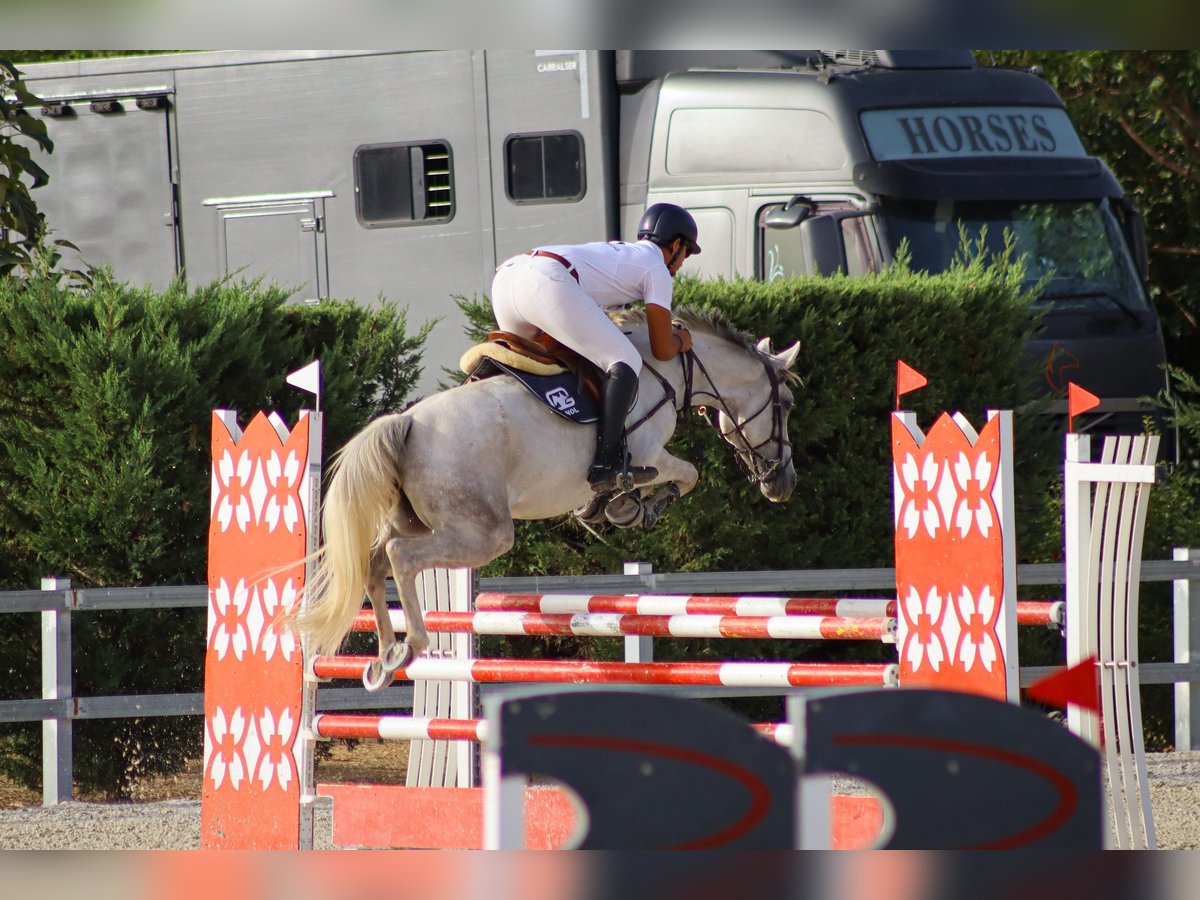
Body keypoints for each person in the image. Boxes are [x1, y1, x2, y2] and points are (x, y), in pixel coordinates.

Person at [490, 203, 700, 494]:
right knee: (625, 359)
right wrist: (682, 340)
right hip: (544, 280)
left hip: (507, 278)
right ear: (676, 244)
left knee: (530, 369)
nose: (683, 262)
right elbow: (663, 350)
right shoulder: (656, 268)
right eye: (687, 252)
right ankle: (606, 464)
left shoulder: (620, 253)